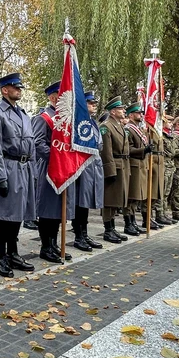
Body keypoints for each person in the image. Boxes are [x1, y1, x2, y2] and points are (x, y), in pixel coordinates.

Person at [0, 73, 36, 278]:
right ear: (5, 90)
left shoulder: (24, 115)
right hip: (6, 166)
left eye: (20, 88)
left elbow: (31, 147)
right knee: (3, 216)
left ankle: (13, 253)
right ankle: (1, 257)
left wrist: (34, 173)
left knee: (17, 215)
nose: (19, 90)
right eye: (16, 87)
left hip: (24, 168)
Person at [33, 81, 75, 263]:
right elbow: (38, 143)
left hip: (64, 168)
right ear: (52, 97)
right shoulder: (43, 118)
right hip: (49, 168)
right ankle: (46, 246)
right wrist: (57, 157)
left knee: (59, 209)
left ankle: (55, 243)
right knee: (48, 209)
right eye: (61, 94)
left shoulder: (66, 117)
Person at [72, 91, 104, 251]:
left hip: (93, 167)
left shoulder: (92, 122)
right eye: (91, 103)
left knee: (87, 203)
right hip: (82, 168)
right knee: (80, 203)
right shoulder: (79, 122)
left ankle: (84, 234)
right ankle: (78, 236)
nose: (94, 106)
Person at [100, 96, 130, 243]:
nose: (124, 110)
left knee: (116, 199)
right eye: (120, 109)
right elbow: (106, 151)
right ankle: (107, 230)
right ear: (113, 111)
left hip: (122, 165)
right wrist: (110, 170)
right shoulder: (106, 126)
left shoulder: (118, 126)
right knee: (109, 200)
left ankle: (112, 228)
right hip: (114, 166)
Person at [123, 103, 153, 235]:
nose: (141, 115)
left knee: (137, 196)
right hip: (133, 166)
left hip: (141, 166)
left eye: (141, 113)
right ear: (130, 115)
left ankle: (133, 221)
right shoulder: (128, 129)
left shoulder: (138, 129)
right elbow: (128, 149)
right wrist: (143, 150)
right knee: (131, 196)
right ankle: (128, 223)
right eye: (138, 113)